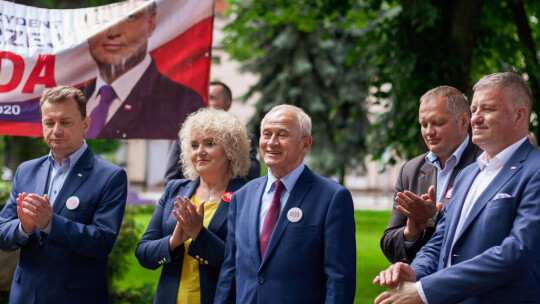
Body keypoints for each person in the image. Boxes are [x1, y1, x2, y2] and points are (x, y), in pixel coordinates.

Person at [374, 72, 540, 303]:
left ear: (519, 115)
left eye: (488, 109)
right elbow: (440, 241)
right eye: (474, 110)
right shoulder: (468, 174)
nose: (476, 118)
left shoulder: (535, 170)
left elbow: (518, 251)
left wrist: (425, 291)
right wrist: (415, 272)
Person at [215, 105, 356, 303]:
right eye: (266, 134)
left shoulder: (332, 198)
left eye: (282, 135)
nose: (272, 142)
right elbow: (230, 269)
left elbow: (339, 279)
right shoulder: (241, 197)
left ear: (305, 144)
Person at [0, 86, 128, 304]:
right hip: (25, 296)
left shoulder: (110, 176)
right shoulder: (26, 170)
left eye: (65, 122)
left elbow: (102, 242)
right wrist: (24, 228)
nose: (56, 130)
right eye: (49, 123)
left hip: (75, 297)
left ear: (85, 124)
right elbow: (3, 231)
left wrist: (51, 223)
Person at [135, 108, 251, 304]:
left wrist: (199, 234)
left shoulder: (247, 195)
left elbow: (244, 263)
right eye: (194, 145)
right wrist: (173, 241)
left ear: (231, 150)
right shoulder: (174, 190)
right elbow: (143, 253)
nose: (200, 152)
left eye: (210, 143)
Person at [380, 86, 482, 263]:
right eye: (424, 124)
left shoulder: (484, 163)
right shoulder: (410, 170)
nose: (429, 132)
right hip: (419, 282)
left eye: (438, 123)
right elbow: (389, 243)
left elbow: (482, 234)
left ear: (464, 121)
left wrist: (433, 218)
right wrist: (410, 232)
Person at [82, 0, 205, 139]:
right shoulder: (72, 100)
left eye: (130, 17)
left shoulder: (184, 103)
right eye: (100, 20)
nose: (113, 32)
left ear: (151, 22)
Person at [163, 81, 260, 183]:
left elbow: (252, 175)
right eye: (194, 145)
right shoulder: (184, 136)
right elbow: (170, 180)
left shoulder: (244, 138)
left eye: (211, 97)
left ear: (228, 104)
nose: (200, 151)